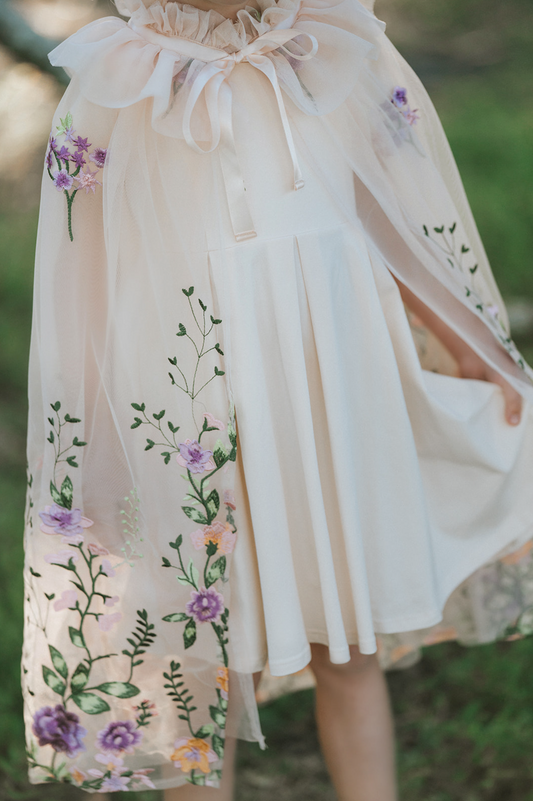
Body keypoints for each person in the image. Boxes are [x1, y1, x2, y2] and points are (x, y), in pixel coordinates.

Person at [22, 0, 533, 798]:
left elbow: (379, 209)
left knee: (347, 640)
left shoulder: (326, 45)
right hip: (194, 394)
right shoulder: (119, 80)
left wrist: (469, 342)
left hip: (326, 380)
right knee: (201, 658)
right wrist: (93, 438)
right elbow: (84, 277)